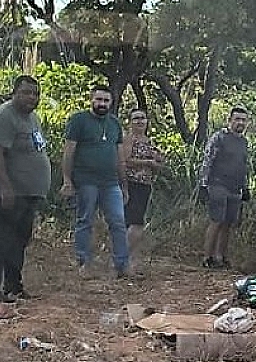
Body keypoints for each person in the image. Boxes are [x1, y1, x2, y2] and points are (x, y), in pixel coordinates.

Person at [61, 85, 129, 277]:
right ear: (91, 100)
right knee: (85, 221)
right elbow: (68, 152)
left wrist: (124, 185)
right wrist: (67, 180)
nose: (102, 104)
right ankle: (84, 263)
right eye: (98, 100)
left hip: (111, 182)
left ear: (111, 103)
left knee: (118, 221)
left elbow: (120, 156)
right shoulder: (79, 120)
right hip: (86, 180)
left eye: (106, 101)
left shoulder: (114, 123)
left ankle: (122, 265)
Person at [0, 75, 49, 301]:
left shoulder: (33, 118)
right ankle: (5, 289)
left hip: (29, 193)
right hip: (13, 192)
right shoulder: (6, 115)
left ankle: (13, 286)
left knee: (20, 240)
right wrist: (5, 187)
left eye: (35, 93)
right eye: (27, 92)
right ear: (14, 92)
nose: (32, 97)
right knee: (6, 240)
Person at [199, 106, 250, 268]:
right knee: (216, 221)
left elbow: (243, 165)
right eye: (237, 119)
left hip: (235, 187)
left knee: (228, 223)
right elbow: (207, 161)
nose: (240, 122)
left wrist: (245, 187)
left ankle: (222, 257)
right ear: (229, 120)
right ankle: (208, 257)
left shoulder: (243, 142)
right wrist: (203, 184)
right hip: (218, 184)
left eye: (243, 119)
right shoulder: (219, 137)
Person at [123, 107, 164, 272]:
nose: (140, 121)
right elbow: (125, 160)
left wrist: (157, 162)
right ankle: (122, 257)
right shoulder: (129, 139)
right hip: (131, 183)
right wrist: (147, 163)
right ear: (130, 122)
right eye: (136, 118)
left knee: (137, 222)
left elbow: (158, 164)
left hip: (145, 185)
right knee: (135, 222)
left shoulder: (149, 141)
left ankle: (129, 259)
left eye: (142, 118)